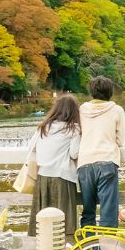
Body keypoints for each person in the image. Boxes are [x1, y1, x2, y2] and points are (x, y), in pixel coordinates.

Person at [27, 93, 82, 238]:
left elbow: (31, 148)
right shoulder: (73, 129)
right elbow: (75, 154)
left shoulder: (43, 127)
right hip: (63, 178)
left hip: (43, 178)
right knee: (64, 224)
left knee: (44, 223)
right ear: (74, 111)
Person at [77, 76, 125, 228]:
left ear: (92, 92)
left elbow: (77, 134)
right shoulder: (117, 110)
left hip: (84, 163)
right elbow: (120, 140)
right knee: (108, 213)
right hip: (107, 161)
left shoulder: (81, 110)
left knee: (88, 212)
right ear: (110, 92)